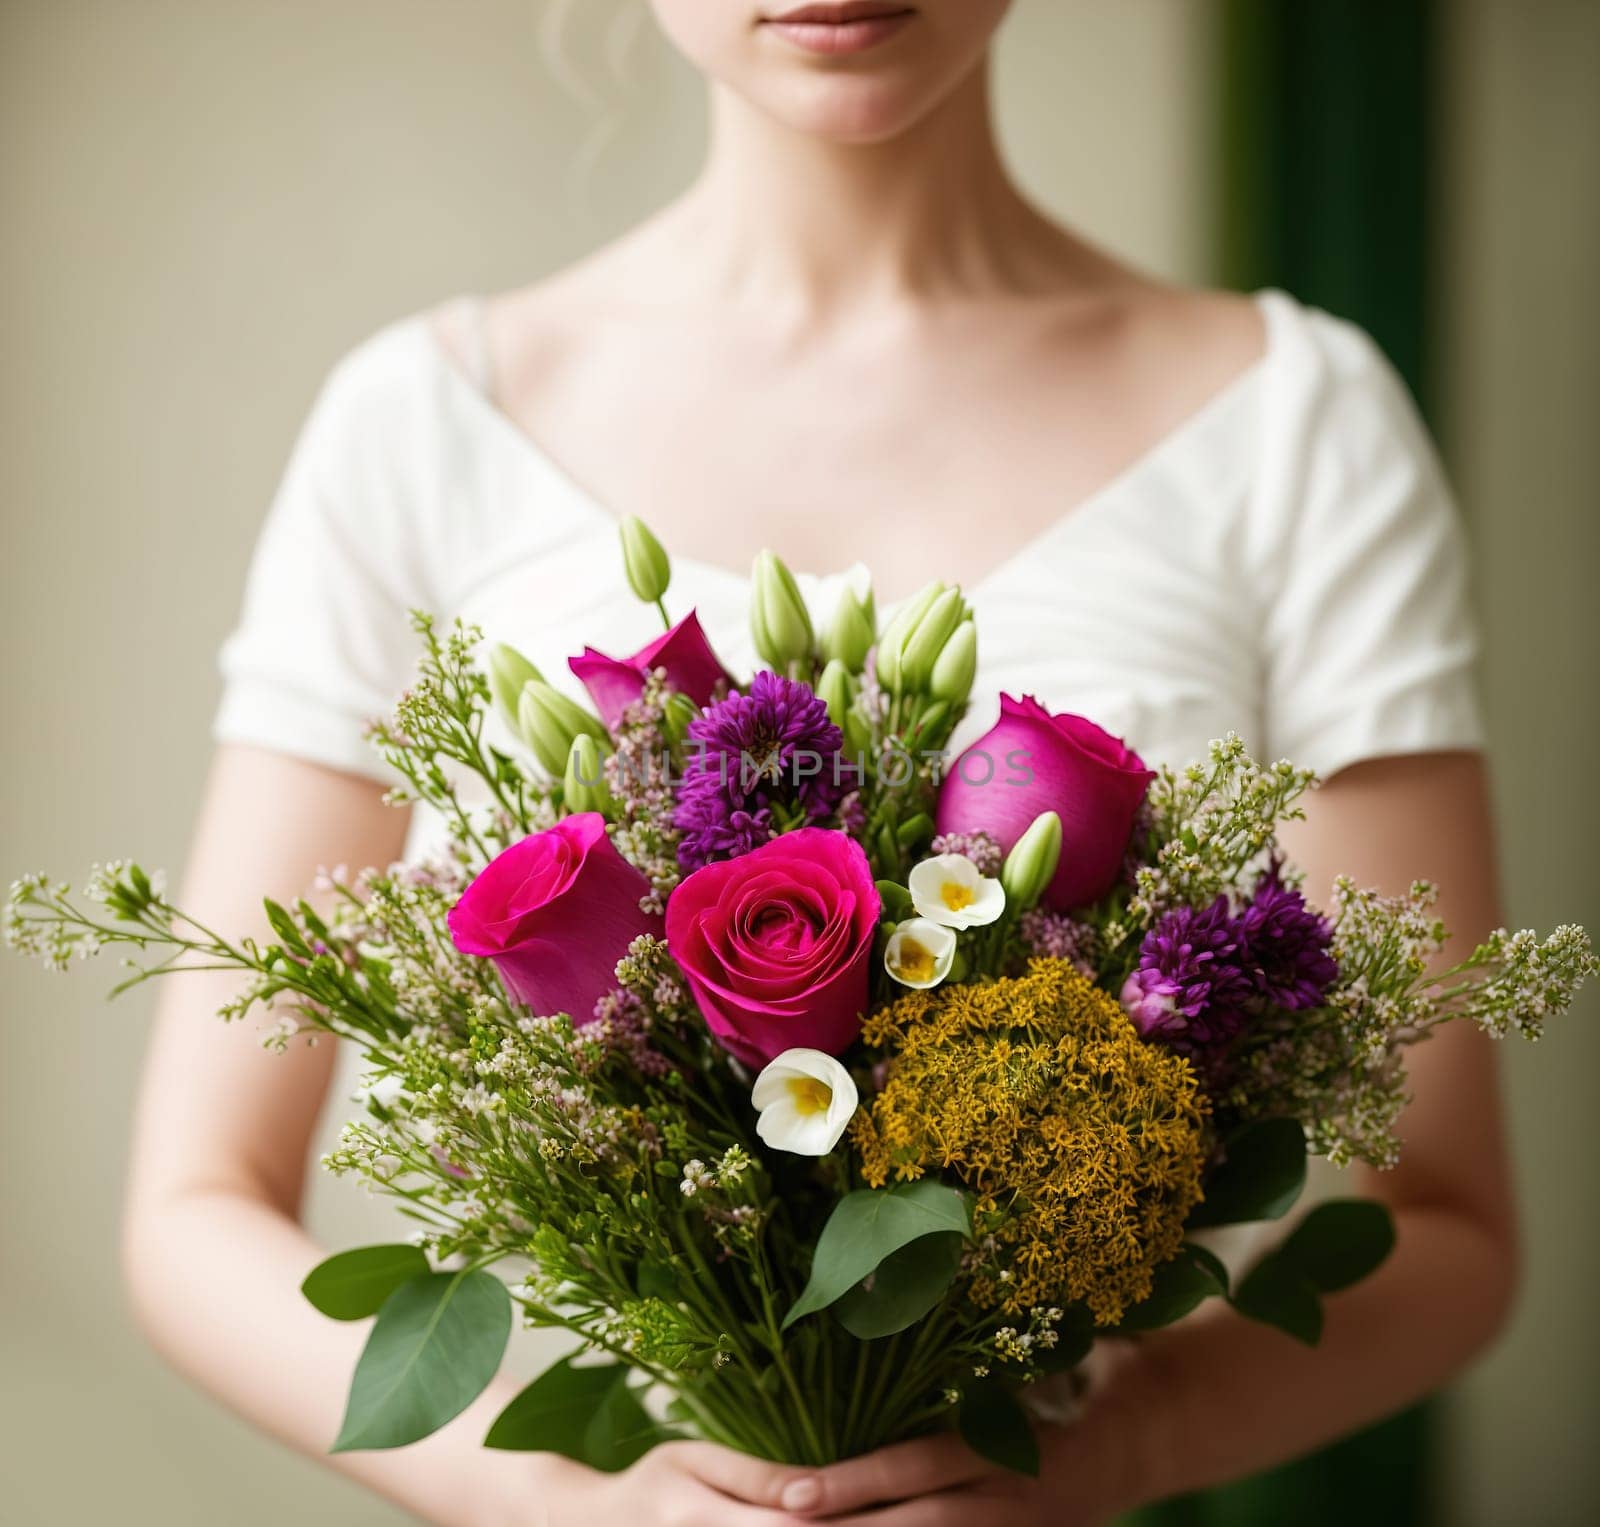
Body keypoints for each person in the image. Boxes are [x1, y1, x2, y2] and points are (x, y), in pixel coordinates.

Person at [121, 4, 1516, 1524]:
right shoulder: (423, 423)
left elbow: (1441, 1222)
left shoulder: (1294, 423)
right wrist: (594, 1510)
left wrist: (1109, 1452)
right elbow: (196, 1208)